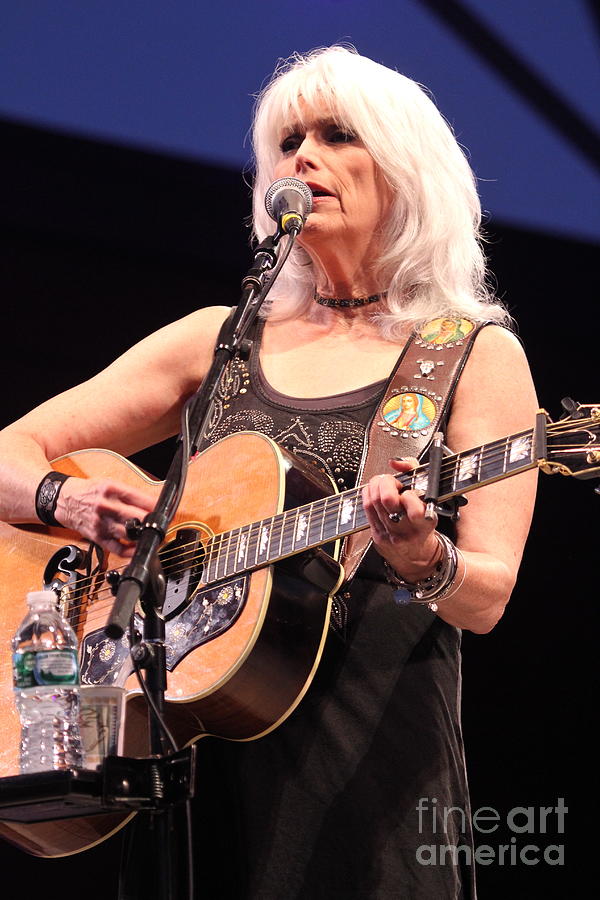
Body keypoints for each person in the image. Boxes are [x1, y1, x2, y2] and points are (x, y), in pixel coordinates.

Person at [0, 46, 537, 898]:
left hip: (366, 763)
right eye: (287, 141)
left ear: (406, 170)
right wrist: (65, 498)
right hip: (193, 749)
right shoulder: (221, 339)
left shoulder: (466, 352)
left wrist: (423, 558)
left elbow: (489, 595)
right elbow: (8, 453)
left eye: (337, 135)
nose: (303, 157)